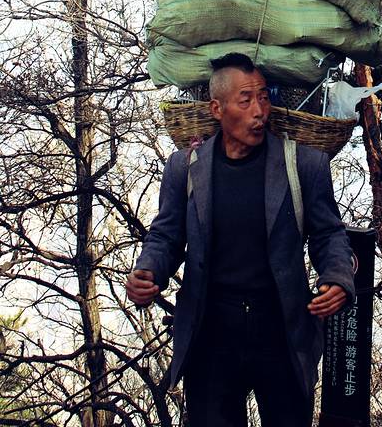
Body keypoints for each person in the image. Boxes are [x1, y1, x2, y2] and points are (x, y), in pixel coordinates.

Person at [126, 52, 355, 427]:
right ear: (217, 109)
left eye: (263, 97)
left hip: (281, 332)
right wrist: (148, 271)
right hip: (211, 334)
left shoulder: (304, 165)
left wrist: (338, 278)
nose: (259, 111)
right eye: (245, 100)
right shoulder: (185, 167)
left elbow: (329, 234)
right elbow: (166, 234)